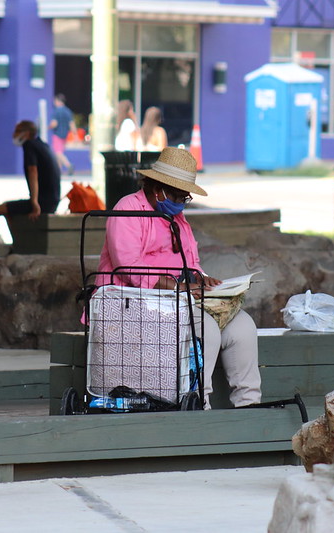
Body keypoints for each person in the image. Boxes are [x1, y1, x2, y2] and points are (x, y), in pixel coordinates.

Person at [97, 147, 261, 409]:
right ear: (157, 187)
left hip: (177, 298)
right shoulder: (128, 208)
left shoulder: (176, 217)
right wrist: (179, 287)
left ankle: (248, 403)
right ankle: (199, 401)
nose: (181, 201)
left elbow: (190, 262)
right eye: (177, 195)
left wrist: (203, 279)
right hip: (134, 300)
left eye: (185, 197)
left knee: (243, 325)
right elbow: (129, 267)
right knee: (204, 327)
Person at [0, 120, 61, 254]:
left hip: (43, 202)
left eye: (17, 131)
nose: (14, 135)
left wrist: (34, 202)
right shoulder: (42, 144)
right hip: (51, 199)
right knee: (8, 208)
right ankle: (18, 245)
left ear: (26, 134)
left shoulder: (29, 145)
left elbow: (33, 172)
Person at [49, 94, 77, 175]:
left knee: (57, 152)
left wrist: (47, 127)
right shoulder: (68, 111)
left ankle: (68, 165)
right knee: (59, 153)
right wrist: (75, 135)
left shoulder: (57, 111)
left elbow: (54, 123)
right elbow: (71, 124)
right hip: (65, 135)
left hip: (57, 134)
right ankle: (58, 171)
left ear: (58, 101)